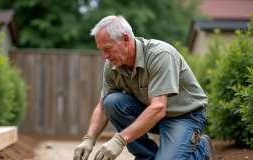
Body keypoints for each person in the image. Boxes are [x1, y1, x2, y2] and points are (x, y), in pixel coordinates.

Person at [73, 15, 215, 160]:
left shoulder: (160, 55)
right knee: (112, 102)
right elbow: (103, 108)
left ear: (126, 39)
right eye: (101, 50)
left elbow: (159, 108)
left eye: (107, 49)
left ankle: (202, 149)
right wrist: (89, 139)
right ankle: (146, 156)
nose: (104, 56)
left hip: (186, 116)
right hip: (154, 114)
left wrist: (119, 140)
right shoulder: (112, 65)